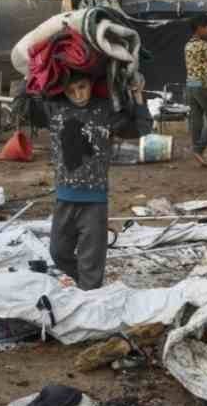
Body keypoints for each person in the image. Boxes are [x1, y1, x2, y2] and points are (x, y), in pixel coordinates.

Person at [46, 70, 152, 289]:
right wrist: (31, 77)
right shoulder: (55, 108)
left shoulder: (105, 110)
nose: (78, 94)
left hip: (94, 200)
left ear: (92, 83)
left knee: (92, 262)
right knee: (58, 253)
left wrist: (138, 96)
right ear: (63, 91)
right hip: (64, 197)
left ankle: (90, 296)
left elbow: (142, 127)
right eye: (71, 90)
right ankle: (85, 286)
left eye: (82, 87)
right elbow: (25, 104)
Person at [184, 15, 207, 167]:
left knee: (196, 118)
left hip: (190, 85)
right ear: (199, 28)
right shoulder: (204, 45)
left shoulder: (187, 45)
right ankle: (199, 150)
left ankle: (196, 151)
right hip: (203, 85)